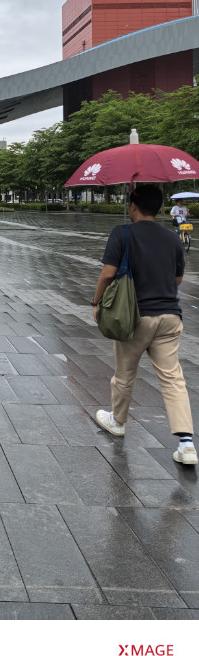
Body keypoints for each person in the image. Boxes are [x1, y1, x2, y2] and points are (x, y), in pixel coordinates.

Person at [92, 184, 196, 465]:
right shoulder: (173, 238)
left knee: (125, 373)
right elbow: (177, 280)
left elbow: (107, 274)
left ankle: (117, 420)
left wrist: (96, 303)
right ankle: (186, 443)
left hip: (136, 317)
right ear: (161, 208)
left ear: (133, 206)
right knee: (173, 379)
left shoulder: (122, 233)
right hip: (170, 317)